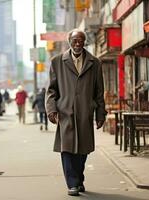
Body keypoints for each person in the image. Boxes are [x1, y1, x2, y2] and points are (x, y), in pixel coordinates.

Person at [46, 29, 107, 196]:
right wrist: (51, 110)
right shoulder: (57, 62)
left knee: (83, 150)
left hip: (85, 113)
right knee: (67, 149)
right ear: (69, 42)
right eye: (74, 40)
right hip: (65, 113)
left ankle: (78, 178)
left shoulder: (95, 63)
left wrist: (101, 114)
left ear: (85, 42)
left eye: (81, 40)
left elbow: (99, 91)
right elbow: (51, 90)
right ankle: (72, 183)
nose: (78, 43)